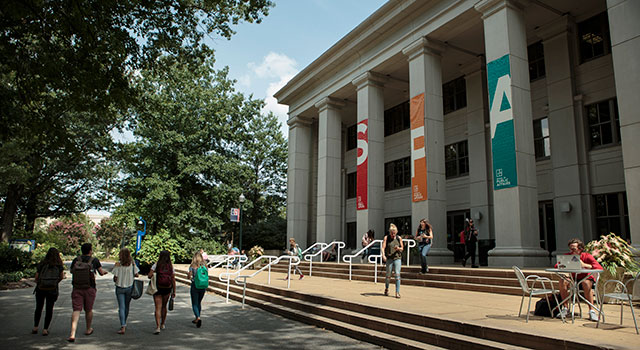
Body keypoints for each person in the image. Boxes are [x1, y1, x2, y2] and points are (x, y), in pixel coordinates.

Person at [67, 243, 108, 342]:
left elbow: (72, 271)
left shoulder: (76, 260)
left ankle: (72, 333)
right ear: (90, 250)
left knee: (76, 309)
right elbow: (101, 273)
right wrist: (105, 272)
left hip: (77, 287)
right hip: (90, 288)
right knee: (88, 309)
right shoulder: (94, 260)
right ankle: (88, 328)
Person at [555, 238, 603, 321]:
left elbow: (599, 267)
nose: (572, 251)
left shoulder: (587, 256)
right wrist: (565, 265)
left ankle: (591, 310)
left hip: (585, 278)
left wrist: (585, 265)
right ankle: (565, 308)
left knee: (586, 283)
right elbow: (557, 265)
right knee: (562, 281)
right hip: (573, 279)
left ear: (580, 248)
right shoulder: (568, 256)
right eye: (570, 248)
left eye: (574, 249)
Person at [32, 247, 64, 336]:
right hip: (52, 289)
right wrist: (54, 282)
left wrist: (40, 282)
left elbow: (36, 277)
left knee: (39, 307)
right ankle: (45, 329)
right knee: (49, 309)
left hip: (41, 288)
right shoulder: (58, 265)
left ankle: (35, 327)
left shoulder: (42, 263)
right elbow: (61, 277)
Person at [111, 248, 139, 335]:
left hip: (119, 287)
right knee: (127, 306)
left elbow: (115, 278)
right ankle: (124, 322)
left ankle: (123, 325)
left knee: (121, 307)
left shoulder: (118, 264)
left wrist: (118, 278)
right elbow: (137, 274)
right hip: (129, 287)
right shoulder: (132, 264)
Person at [148, 250, 176, 334]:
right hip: (167, 288)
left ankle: (157, 327)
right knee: (164, 306)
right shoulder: (171, 266)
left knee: (157, 308)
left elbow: (149, 275)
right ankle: (163, 323)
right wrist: (174, 291)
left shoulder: (156, 265)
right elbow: (173, 279)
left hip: (157, 288)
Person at [382, 223, 403, 299]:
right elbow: (383, 247)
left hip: (397, 258)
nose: (393, 235)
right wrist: (383, 255)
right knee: (388, 275)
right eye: (391, 233)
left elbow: (402, 248)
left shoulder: (398, 238)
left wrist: (398, 248)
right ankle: (387, 288)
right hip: (389, 258)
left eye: (394, 233)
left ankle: (397, 292)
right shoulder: (386, 238)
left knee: (397, 274)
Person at [187, 250, 207, 328]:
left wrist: (189, 275)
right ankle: (197, 317)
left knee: (194, 303)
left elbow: (189, 276)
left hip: (195, 285)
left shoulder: (192, 266)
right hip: (203, 285)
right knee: (199, 302)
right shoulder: (205, 265)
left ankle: (198, 317)